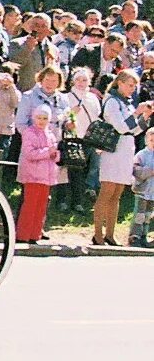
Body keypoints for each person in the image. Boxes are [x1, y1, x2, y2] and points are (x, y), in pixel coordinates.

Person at [95, 69, 154, 246]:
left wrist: (144, 116)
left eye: (134, 86)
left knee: (117, 194)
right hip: (113, 151)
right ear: (119, 83)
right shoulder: (112, 101)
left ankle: (110, 235)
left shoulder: (126, 103)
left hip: (126, 149)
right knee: (106, 193)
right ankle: (98, 234)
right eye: (129, 85)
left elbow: (134, 130)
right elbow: (121, 127)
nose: (132, 89)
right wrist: (137, 112)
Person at [16, 105, 60, 244]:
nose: (41, 121)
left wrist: (56, 154)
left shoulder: (51, 134)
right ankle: (23, 235)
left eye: (45, 118)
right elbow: (29, 154)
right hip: (32, 175)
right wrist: (48, 151)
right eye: (39, 118)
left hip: (46, 176)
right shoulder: (29, 133)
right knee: (30, 205)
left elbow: (55, 156)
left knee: (41, 207)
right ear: (34, 118)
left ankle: (35, 235)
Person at [60, 67, 102, 212]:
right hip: (71, 138)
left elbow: (97, 117)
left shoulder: (93, 98)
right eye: (78, 79)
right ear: (73, 80)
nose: (81, 83)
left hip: (87, 139)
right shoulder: (67, 97)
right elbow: (62, 117)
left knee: (80, 170)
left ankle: (77, 202)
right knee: (67, 170)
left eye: (84, 80)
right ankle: (63, 201)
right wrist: (72, 113)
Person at [130, 130, 154, 248]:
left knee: (148, 215)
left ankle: (144, 235)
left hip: (152, 191)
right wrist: (149, 171)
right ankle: (135, 236)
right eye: (151, 140)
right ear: (146, 140)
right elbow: (135, 170)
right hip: (142, 189)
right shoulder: (142, 154)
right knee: (139, 214)